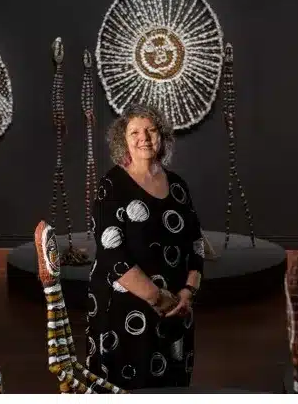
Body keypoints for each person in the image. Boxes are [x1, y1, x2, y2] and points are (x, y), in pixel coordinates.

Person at [86, 103, 205, 391]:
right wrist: (157, 298)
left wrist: (187, 293)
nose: (145, 138)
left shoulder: (178, 185)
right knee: (128, 386)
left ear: (162, 136)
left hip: (177, 308)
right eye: (135, 132)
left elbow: (196, 244)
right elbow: (112, 255)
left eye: (151, 130)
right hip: (126, 310)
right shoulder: (111, 186)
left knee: (171, 386)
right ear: (122, 139)